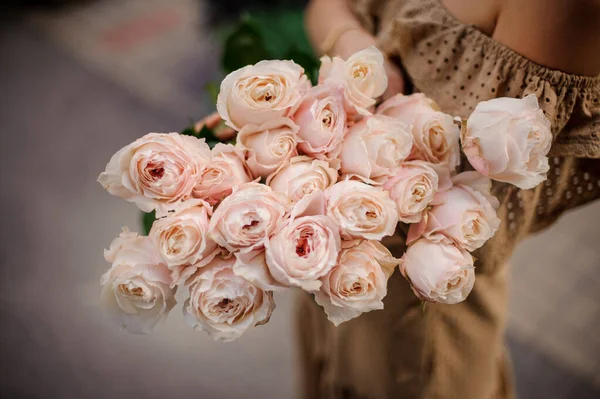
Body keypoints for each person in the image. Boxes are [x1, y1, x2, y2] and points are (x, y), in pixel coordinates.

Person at [300, 0, 600, 398]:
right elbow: (324, 7)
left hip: (414, 309)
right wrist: (353, 47)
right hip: (322, 246)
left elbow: (484, 229)